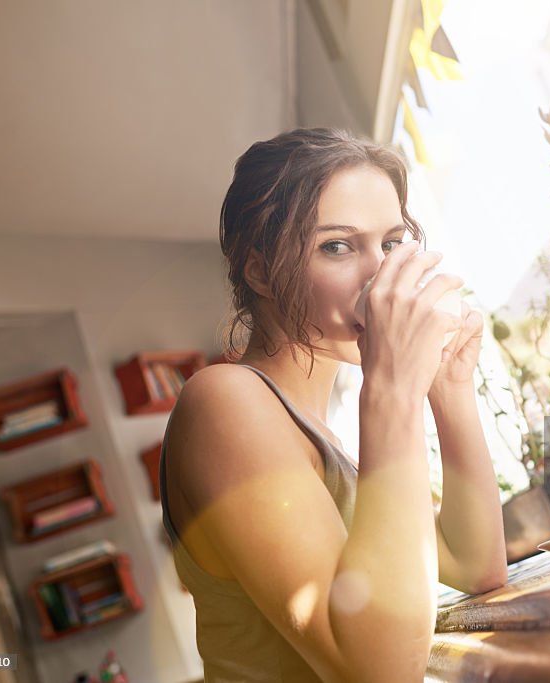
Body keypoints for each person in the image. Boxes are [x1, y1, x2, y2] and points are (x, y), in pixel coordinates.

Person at [160, 128, 508, 682]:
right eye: (338, 246)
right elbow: (376, 673)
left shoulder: (322, 439)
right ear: (260, 273)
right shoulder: (225, 402)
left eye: (392, 243)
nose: (381, 276)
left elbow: (477, 565)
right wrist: (391, 388)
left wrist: (449, 386)